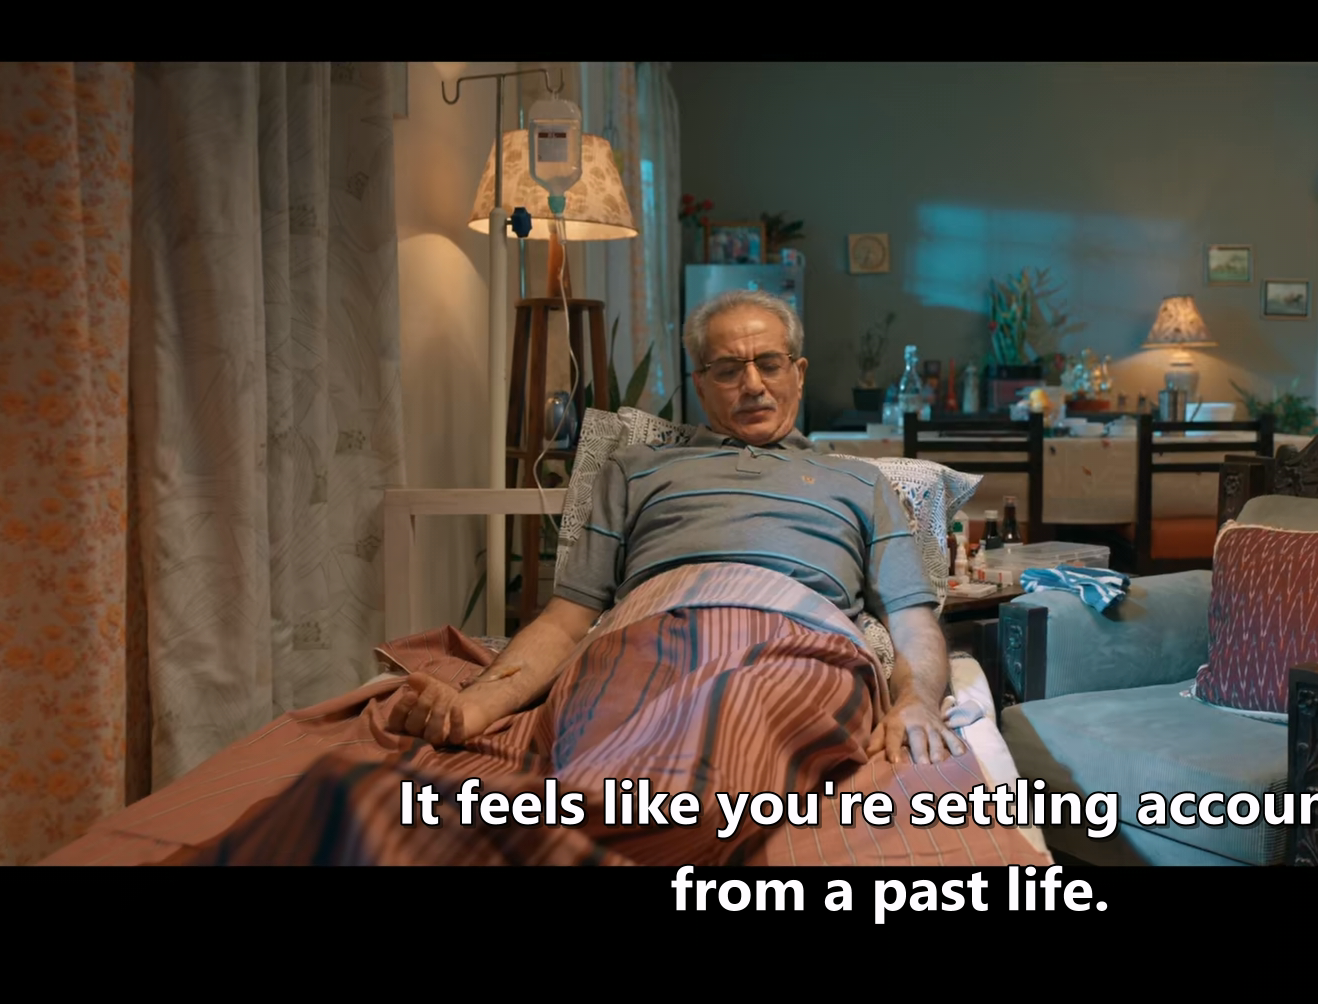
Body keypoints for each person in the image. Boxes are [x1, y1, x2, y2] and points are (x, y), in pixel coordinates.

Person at [386, 287, 966, 768]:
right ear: (700, 383)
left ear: (798, 373)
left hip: (799, 646)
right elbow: (566, 622)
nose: (753, 385)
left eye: (769, 364)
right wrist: (475, 706)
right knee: (607, 734)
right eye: (728, 370)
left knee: (742, 725)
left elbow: (912, 622)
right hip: (647, 638)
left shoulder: (861, 482)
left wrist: (915, 701)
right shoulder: (636, 469)